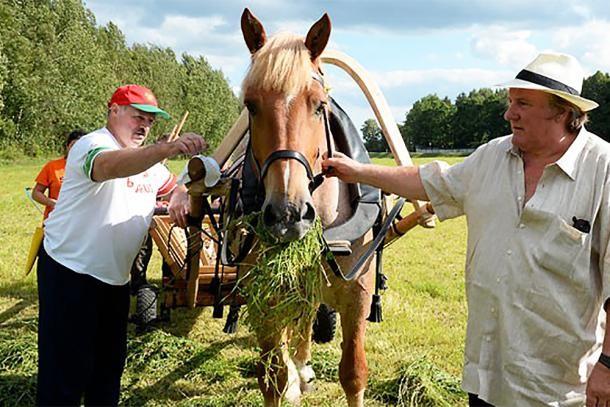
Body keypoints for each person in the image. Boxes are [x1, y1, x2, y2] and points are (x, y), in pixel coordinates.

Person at [322, 52, 610, 406]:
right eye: (509, 101)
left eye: (522, 103)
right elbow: (429, 181)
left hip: (557, 389)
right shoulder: (492, 157)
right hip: (486, 376)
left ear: (563, 111)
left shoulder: (603, 170)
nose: (508, 113)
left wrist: (608, 366)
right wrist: (356, 171)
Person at [36, 84, 207, 406]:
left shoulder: (150, 164)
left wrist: (179, 196)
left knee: (108, 367)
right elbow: (109, 167)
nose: (143, 125)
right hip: (70, 270)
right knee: (65, 369)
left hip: (115, 278)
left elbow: (173, 187)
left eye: (150, 122)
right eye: (137, 117)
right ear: (113, 110)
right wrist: (166, 150)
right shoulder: (93, 144)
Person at [31, 129, 86, 219]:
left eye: (80, 146)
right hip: (54, 220)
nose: (76, 149)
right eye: (73, 145)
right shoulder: (52, 166)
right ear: (67, 146)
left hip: (80, 221)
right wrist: (52, 203)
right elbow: (36, 193)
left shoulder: (91, 168)